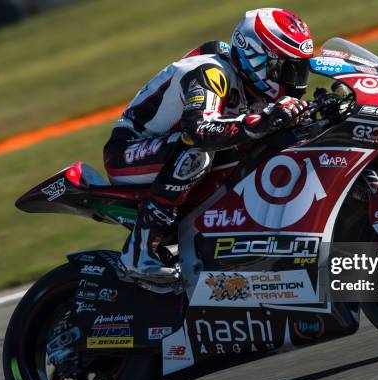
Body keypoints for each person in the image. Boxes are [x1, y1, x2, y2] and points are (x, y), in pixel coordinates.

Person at [103, 8, 314, 283]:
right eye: (287, 69)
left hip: (169, 148)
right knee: (195, 155)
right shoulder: (212, 73)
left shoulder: (251, 83)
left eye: (300, 71)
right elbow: (198, 131)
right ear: (256, 58)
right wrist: (259, 122)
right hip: (129, 150)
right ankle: (137, 254)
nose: (294, 82)